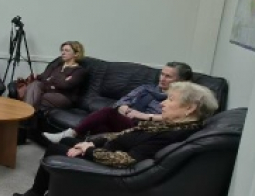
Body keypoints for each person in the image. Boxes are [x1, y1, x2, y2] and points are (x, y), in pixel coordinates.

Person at [12, 81, 218, 196]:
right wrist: (92, 142)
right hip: (109, 151)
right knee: (66, 143)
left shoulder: (172, 134)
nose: (163, 103)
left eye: (170, 100)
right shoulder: (172, 125)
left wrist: (88, 150)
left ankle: (35, 195)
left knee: (56, 150)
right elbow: (125, 135)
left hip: (113, 166)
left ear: (190, 108)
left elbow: (127, 161)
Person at [44, 61, 193, 143]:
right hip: (126, 118)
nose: (162, 78)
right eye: (162, 74)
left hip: (143, 127)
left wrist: (142, 115)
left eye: (168, 76)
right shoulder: (146, 88)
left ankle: (71, 134)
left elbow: (175, 119)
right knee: (100, 126)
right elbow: (121, 101)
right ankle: (79, 149)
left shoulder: (179, 99)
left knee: (107, 112)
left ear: (181, 81)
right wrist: (123, 107)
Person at [23, 41, 88, 111]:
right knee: (35, 85)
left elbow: (65, 85)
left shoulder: (79, 71)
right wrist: (61, 79)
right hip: (48, 91)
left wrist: (51, 79)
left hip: (64, 97)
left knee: (36, 96)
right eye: (62, 50)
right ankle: (27, 114)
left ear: (76, 54)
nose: (63, 53)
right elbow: (44, 77)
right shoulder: (57, 65)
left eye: (67, 51)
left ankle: (25, 114)